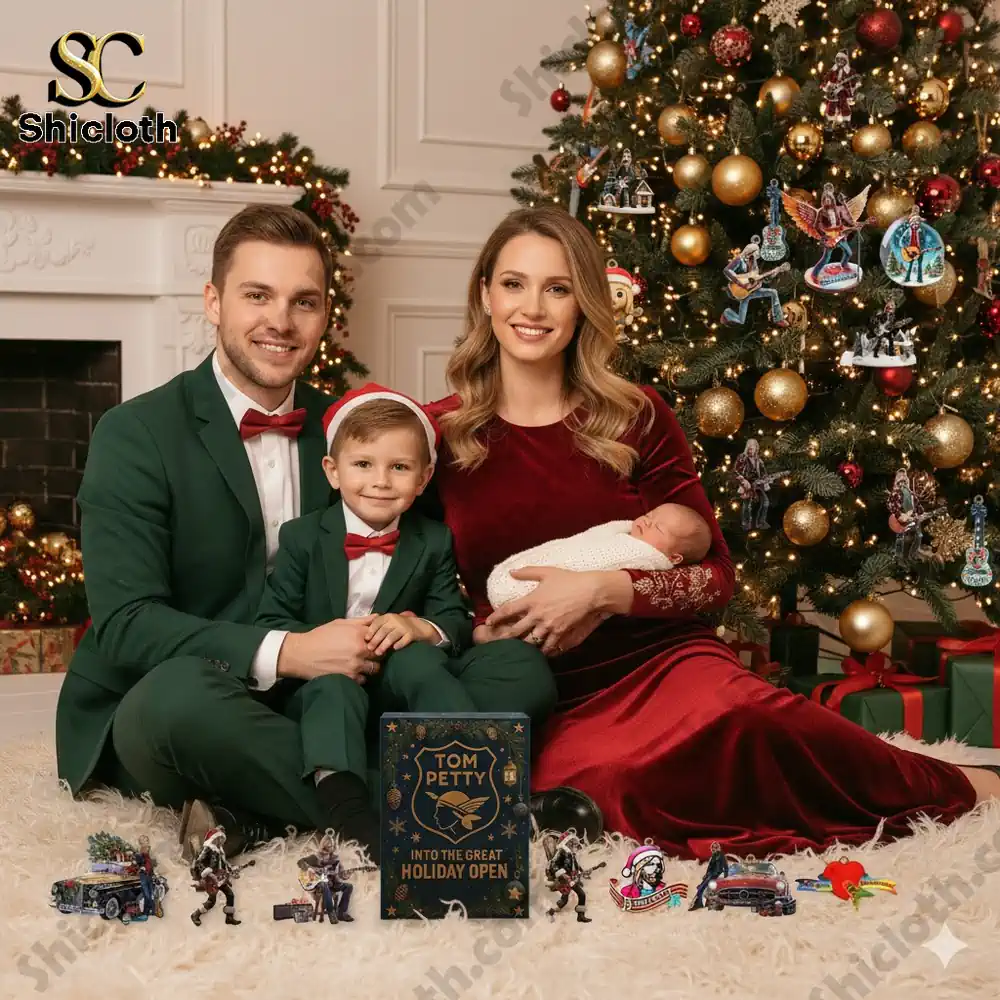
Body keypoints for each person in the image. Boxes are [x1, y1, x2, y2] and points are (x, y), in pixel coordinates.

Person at [425, 205, 1000, 863]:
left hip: (661, 660)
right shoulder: (435, 433)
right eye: (514, 283)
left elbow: (717, 580)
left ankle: (956, 786)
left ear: (583, 303)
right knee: (611, 789)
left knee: (751, 719)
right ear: (484, 294)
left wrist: (603, 593)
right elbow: (404, 578)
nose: (533, 307)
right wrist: (474, 630)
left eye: (557, 287)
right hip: (543, 689)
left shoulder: (636, 417)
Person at [55, 205, 389, 865]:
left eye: (304, 302)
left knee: (501, 671)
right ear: (213, 301)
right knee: (173, 706)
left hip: (316, 694)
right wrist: (289, 652)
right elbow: (125, 625)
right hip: (179, 694)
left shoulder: (357, 430)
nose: (281, 322)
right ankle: (422, 812)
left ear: (325, 316)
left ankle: (246, 808)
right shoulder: (136, 432)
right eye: (257, 295)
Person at [255, 383, 556, 787]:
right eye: (363, 464)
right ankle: (369, 791)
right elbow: (272, 620)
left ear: (423, 477)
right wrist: (323, 642)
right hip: (328, 683)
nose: (380, 481)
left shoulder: (432, 539)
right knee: (335, 692)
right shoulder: (302, 537)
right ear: (332, 471)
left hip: (406, 686)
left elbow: (453, 617)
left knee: (507, 663)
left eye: (398, 467)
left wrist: (419, 628)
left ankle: (458, 760)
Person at [487, 502, 711, 610]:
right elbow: (581, 543)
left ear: (674, 559)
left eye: (658, 528)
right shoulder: (624, 536)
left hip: (535, 597)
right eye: (649, 515)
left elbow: (598, 562)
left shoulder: (645, 560)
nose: (646, 522)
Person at [297, 833, 355, 924]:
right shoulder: (314, 858)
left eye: (331, 846)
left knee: (349, 886)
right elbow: (300, 862)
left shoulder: (335, 859)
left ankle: (341, 913)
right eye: (327, 845)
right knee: (324, 884)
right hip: (319, 885)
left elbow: (342, 875)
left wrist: (347, 874)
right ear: (323, 845)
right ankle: (331, 912)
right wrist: (309, 869)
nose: (329, 848)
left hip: (333, 883)